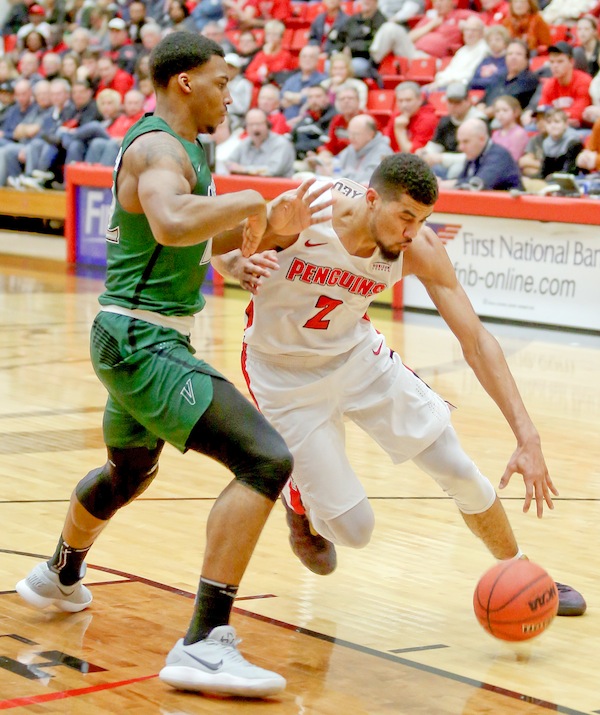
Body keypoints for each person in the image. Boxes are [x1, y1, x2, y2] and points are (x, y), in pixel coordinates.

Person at [13, 31, 331, 699]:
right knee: (267, 459)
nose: (229, 91)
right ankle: (204, 643)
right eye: (220, 80)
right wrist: (250, 204)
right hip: (143, 340)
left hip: (132, 333)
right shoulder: (159, 147)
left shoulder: (187, 149)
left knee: (129, 471)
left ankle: (58, 575)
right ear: (185, 81)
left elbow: (199, 239)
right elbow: (168, 222)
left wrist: (257, 241)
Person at [213, 152, 586, 618]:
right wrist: (236, 264)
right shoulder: (308, 210)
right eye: (405, 216)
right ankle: (299, 501)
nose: (412, 232)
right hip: (282, 372)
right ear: (372, 201)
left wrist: (526, 433)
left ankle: (523, 572)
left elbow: (476, 340)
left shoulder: (419, 248)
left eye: (423, 219)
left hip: (356, 357)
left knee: (459, 469)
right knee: (354, 529)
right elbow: (212, 244)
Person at [416, 81, 485, 178]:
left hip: (469, 167)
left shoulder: (478, 122)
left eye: (457, 102)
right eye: (450, 102)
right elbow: (435, 145)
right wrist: (425, 153)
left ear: (468, 101)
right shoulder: (446, 121)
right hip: (444, 164)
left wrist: (441, 158)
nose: (453, 106)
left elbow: (476, 156)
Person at [439, 117, 523, 190]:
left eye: (466, 141)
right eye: (459, 142)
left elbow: (479, 183)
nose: (461, 147)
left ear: (482, 139)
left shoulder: (499, 155)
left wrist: (445, 184)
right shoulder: (474, 155)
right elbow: (463, 179)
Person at [225, 107, 296, 176]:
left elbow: (273, 170)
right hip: (248, 186)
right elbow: (229, 163)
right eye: (251, 124)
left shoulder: (281, 144)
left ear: (267, 125)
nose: (255, 128)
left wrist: (244, 170)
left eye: (258, 124)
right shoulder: (245, 143)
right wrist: (232, 167)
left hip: (275, 186)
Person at [383, 81, 438, 153]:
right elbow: (385, 142)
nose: (404, 105)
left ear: (420, 100)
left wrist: (400, 130)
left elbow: (412, 155)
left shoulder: (428, 119)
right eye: (400, 101)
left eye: (408, 100)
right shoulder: (397, 116)